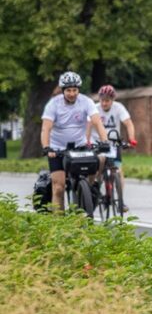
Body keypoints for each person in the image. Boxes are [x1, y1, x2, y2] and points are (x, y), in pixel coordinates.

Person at [40, 71, 109, 212]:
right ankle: (59, 222)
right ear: (63, 90)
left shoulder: (86, 102)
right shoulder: (53, 104)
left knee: (94, 164)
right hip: (57, 149)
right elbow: (46, 129)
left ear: (78, 90)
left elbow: (97, 123)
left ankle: (88, 192)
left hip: (80, 146)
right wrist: (47, 147)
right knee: (58, 188)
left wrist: (105, 141)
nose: (72, 93)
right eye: (68, 90)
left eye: (74, 90)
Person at [91, 85, 138, 211]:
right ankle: (96, 186)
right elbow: (88, 125)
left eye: (107, 100)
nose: (104, 103)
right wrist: (87, 141)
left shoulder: (118, 108)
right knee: (98, 168)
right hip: (98, 143)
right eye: (102, 100)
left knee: (118, 171)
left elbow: (128, 123)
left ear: (112, 100)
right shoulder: (94, 109)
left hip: (113, 144)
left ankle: (121, 201)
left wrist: (132, 139)